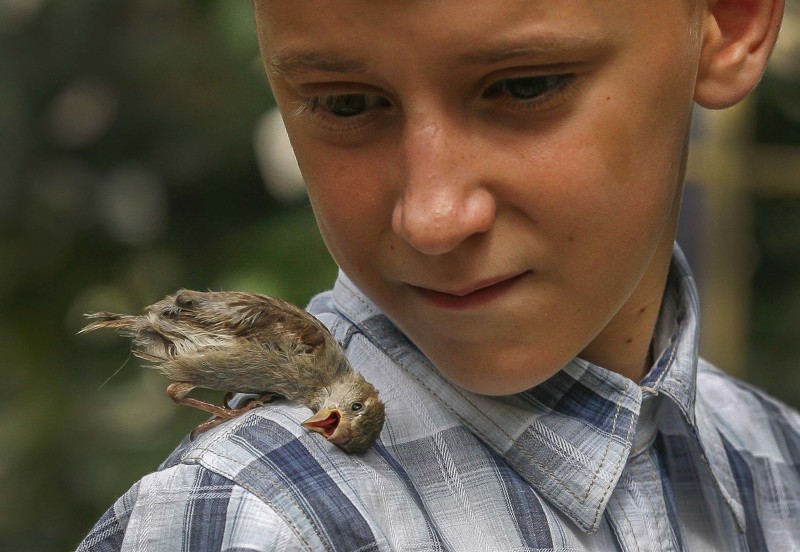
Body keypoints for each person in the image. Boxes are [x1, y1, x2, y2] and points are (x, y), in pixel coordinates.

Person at [78, 0, 799, 550]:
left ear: (726, 22)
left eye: (525, 86)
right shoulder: (258, 522)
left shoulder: (779, 469)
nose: (433, 217)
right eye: (346, 103)